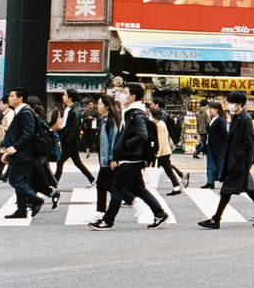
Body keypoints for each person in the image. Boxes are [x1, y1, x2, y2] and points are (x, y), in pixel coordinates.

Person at [91, 86, 172, 229]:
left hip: (131, 159)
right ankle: (160, 213)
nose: (122, 95)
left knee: (116, 189)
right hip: (131, 158)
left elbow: (142, 135)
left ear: (132, 97)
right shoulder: (129, 113)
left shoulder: (136, 115)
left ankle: (107, 221)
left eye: (125, 93)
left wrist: (124, 146)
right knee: (140, 189)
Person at [201, 91, 254, 229]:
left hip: (239, 161)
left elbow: (249, 143)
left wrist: (244, 161)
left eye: (231, 102)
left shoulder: (245, 119)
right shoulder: (235, 117)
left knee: (226, 190)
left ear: (239, 104)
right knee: (248, 189)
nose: (229, 104)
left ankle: (216, 219)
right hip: (235, 159)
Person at [0, 89, 47, 218]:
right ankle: (21, 210)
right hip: (19, 153)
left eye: (12, 96)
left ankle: (36, 199)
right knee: (18, 179)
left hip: (24, 153)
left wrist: (15, 147)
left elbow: (28, 133)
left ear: (20, 98)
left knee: (14, 180)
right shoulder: (19, 111)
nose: (9, 98)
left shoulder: (25, 112)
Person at [53, 88, 93, 185]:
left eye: (65, 95)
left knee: (60, 161)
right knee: (77, 162)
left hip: (70, 142)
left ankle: (53, 183)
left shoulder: (75, 111)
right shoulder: (68, 109)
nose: (63, 96)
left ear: (70, 97)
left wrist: (66, 139)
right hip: (69, 141)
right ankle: (92, 179)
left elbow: (74, 128)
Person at [91, 94, 122, 218]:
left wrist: (113, 158)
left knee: (109, 186)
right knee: (102, 185)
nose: (97, 106)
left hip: (108, 160)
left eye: (100, 104)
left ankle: (133, 200)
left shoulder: (111, 121)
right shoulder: (104, 120)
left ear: (107, 106)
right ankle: (100, 211)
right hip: (104, 160)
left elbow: (114, 141)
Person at [202, 99, 228, 189]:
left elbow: (224, 134)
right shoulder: (213, 119)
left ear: (217, 109)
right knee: (210, 162)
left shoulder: (220, 120)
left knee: (219, 163)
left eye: (211, 108)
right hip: (211, 144)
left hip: (218, 146)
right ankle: (210, 181)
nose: (210, 110)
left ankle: (223, 180)